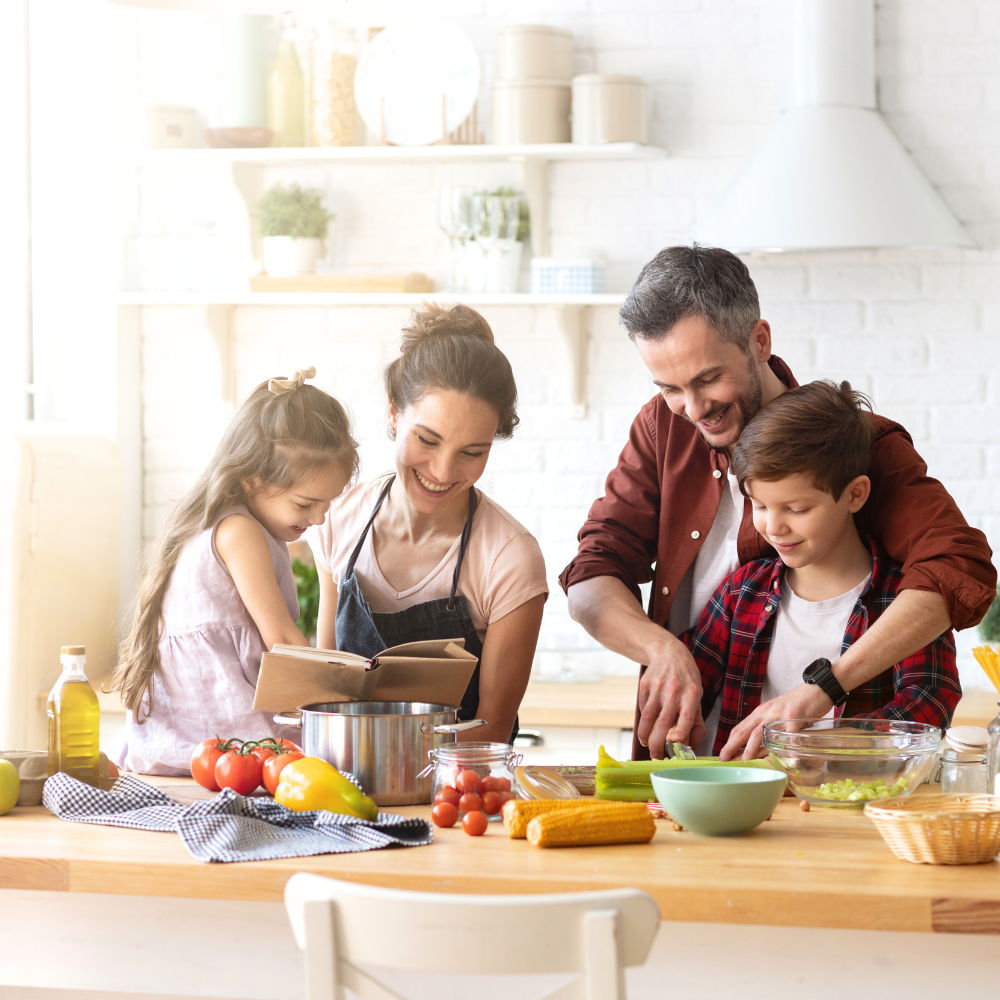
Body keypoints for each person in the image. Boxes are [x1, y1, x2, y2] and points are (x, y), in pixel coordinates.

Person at [559, 245, 995, 760]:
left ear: (759, 341)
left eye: (707, 379)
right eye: (669, 387)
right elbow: (591, 576)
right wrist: (660, 649)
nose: (693, 409)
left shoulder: (855, 445)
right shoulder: (662, 427)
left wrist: (823, 693)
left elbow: (956, 567)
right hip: (701, 765)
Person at [684, 380, 961, 759]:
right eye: (760, 505)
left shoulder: (905, 601)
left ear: (855, 494)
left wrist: (811, 746)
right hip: (745, 806)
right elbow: (690, 687)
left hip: (854, 807)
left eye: (797, 509)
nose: (773, 527)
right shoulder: (741, 591)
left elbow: (927, 707)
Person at [309, 304, 548, 745]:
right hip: (345, 785)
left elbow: (492, 731)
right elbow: (327, 692)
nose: (442, 471)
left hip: (457, 793)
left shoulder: (509, 557)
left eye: (472, 452)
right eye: (427, 440)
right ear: (394, 413)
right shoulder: (337, 519)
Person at [108, 368, 357, 774]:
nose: (319, 518)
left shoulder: (227, 522)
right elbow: (280, 638)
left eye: (327, 504)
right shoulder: (239, 531)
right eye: (305, 504)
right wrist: (338, 698)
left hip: (188, 737)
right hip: (224, 733)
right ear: (252, 481)